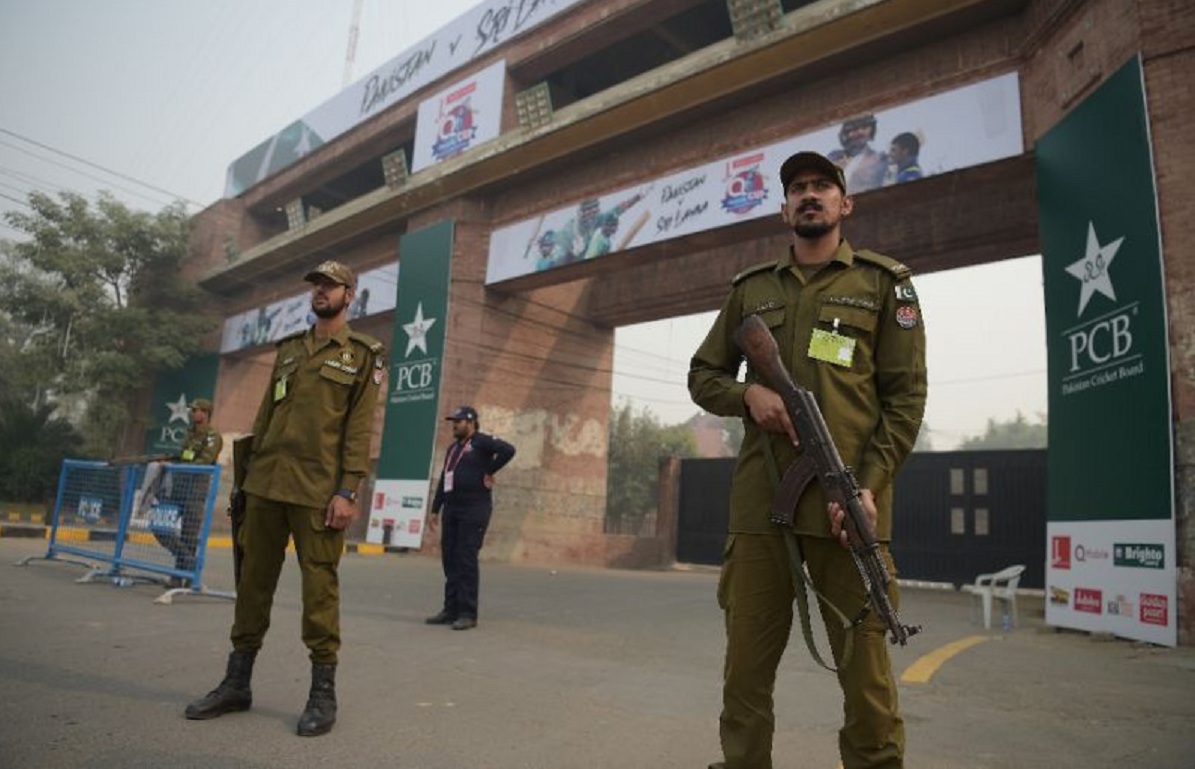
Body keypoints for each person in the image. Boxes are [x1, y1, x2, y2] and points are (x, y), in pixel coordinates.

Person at [689, 150, 927, 769]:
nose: (809, 195)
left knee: (868, 683)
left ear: (845, 204)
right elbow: (702, 374)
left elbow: (905, 401)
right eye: (797, 187)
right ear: (785, 207)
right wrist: (749, 395)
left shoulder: (882, 284)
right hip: (760, 512)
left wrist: (869, 486)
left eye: (823, 185)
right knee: (744, 677)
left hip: (851, 512)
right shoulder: (752, 291)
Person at [185, 259, 386, 737]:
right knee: (253, 584)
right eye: (316, 285)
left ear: (348, 295)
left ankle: (322, 692)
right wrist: (246, 482)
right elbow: (266, 415)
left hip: (318, 492)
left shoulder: (363, 354)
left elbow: (359, 429)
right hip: (266, 486)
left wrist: (347, 490)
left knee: (319, 591)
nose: (320, 291)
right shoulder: (291, 349)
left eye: (330, 286)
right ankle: (237, 682)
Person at [425, 405, 516, 631]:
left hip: (474, 509)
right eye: (453, 421)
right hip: (452, 510)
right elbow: (444, 479)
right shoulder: (452, 450)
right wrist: (435, 509)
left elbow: (508, 450)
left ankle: (467, 613)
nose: (454, 425)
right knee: (450, 559)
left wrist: (490, 471)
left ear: (471, 422)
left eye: (458, 421)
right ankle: (451, 609)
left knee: (466, 559)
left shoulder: (482, 442)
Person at [149, 397, 223, 585]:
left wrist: (178, 467)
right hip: (179, 488)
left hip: (195, 490)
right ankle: (190, 563)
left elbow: (205, 461)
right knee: (160, 525)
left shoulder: (213, 436)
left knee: (189, 534)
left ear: (205, 414)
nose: (192, 413)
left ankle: (180, 578)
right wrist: (169, 462)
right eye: (192, 410)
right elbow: (183, 458)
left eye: (196, 410)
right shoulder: (190, 434)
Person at [827, 114, 888, 193]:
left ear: (871, 131)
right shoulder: (834, 156)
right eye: (854, 129)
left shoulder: (880, 159)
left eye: (864, 127)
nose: (860, 132)